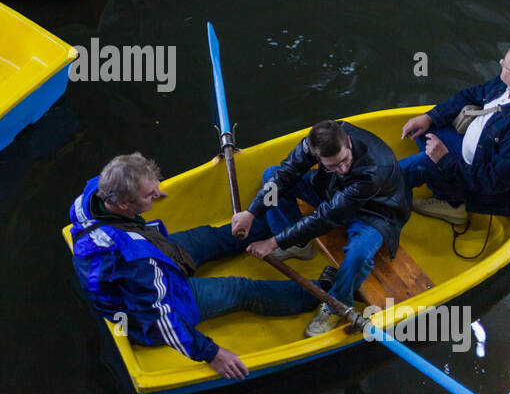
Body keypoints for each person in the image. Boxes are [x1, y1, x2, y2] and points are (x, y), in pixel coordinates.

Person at [69, 153, 332, 381]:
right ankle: (325, 292)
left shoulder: (91, 196)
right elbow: (161, 318)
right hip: (151, 309)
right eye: (150, 195)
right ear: (124, 204)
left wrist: (148, 191)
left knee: (219, 235)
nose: (157, 195)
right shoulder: (137, 264)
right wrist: (211, 354)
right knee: (241, 289)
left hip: (154, 250)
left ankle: (285, 236)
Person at [231, 119, 410, 337]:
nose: (342, 169)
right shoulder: (312, 144)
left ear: (349, 144)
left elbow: (326, 217)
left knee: (358, 255)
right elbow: (285, 175)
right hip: (333, 192)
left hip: (374, 212)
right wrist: (252, 212)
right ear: (316, 156)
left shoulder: (372, 170)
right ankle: (299, 245)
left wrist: (273, 241)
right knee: (271, 175)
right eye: (332, 166)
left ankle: (337, 303)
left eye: (345, 160)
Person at [398, 40, 510, 223]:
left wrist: (444, 160)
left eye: (505, 64)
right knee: (427, 130)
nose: (501, 62)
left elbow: (493, 182)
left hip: (498, 190)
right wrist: (430, 117)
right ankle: (444, 190)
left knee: (421, 165)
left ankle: (452, 205)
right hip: (482, 150)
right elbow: (472, 94)